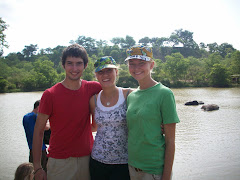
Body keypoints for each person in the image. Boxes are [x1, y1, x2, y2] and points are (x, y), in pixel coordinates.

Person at [32, 44, 102, 180]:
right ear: (63, 65)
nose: (74, 69)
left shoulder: (93, 88)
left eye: (79, 64)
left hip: (88, 159)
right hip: (59, 162)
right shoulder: (50, 94)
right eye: (70, 63)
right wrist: (37, 167)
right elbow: (38, 130)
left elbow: (117, 93)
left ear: (85, 65)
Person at [125, 45, 180, 180]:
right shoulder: (132, 96)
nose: (136, 68)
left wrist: (166, 176)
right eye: (132, 64)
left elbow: (170, 141)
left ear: (152, 65)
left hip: (154, 171)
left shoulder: (164, 94)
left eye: (142, 63)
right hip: (132, 167)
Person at [89, 56, 132, 180]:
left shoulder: (129, 95)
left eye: (109, 70)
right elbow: (94, 127)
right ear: (96, 75)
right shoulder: (94, 100)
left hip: (124, 162)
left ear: (116, 72)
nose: (105, 75)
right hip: (98, 161)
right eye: (100, 72)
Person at [23, 100, 48, 172]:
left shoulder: (25, 117)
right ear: (38, 107)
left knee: (33, 171)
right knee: (43, 171)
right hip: (41, 149)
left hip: (31, 149)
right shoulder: (36, 116)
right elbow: (46, 127)